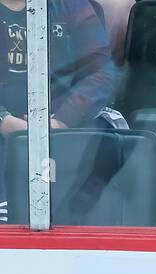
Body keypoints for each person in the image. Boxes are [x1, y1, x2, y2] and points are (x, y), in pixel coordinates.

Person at [0, 0, 116, 220]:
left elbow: (102, 74)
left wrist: (60, 121)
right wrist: (3, 120)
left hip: (63, 134)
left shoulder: (71, 5)